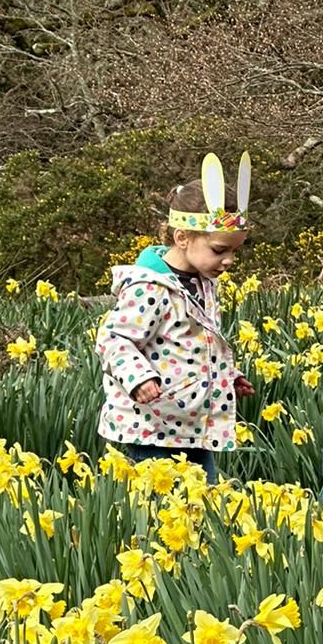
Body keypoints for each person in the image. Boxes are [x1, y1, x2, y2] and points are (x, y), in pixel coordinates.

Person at [97, 156, 254, 482]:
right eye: (219, 250)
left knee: (203, 511)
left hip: (193, 424)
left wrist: (226, 376)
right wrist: (138, 378)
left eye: (234, 251)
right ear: (182, 238)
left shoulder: (202, 282)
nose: (228, 261)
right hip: (152, 428)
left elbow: (193, 343)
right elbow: (113, 338)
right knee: (163, 518)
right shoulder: (150, 287)